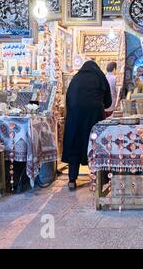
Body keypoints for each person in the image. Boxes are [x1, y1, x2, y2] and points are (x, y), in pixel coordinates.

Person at [62, 60, 112, 190]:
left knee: (75, 146)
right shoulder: (100, 77)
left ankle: (72, 180)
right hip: (94, 120)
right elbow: (108, 102)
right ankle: (100, 178)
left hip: (75, 120)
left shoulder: (76, 78)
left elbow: (68, 100)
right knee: (95, 147)